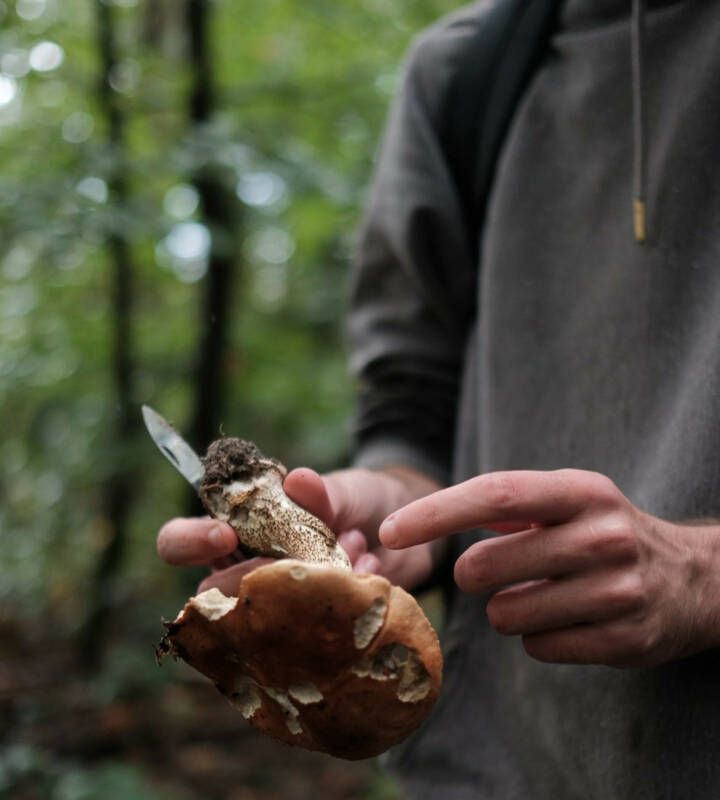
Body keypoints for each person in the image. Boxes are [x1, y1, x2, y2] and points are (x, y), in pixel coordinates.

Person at [157, 0, 720, 796]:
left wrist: (704, 575)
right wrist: (391, 503)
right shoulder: (467, 73)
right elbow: (414, 408)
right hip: (491, 767)